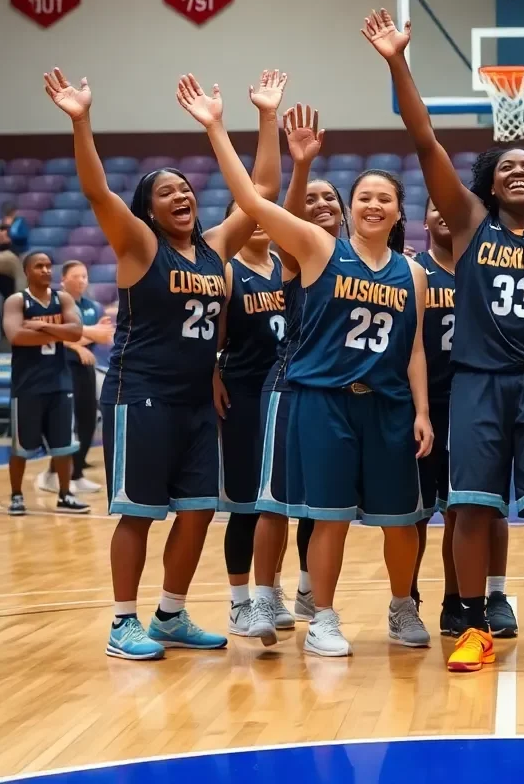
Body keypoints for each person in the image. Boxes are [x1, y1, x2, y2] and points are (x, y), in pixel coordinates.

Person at [366, 8, 524, 674]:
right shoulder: (470, 225)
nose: (518, 172)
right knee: (469, 512)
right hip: (475, 384)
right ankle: (472, 625)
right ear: (490, 183)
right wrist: (396, 62)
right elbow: (423, 141)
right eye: (507, 167)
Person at [179, 81, 434, 658]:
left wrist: (421, 410)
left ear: (398, 212)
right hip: (324, 400)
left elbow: (413, 347)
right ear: (352, 205)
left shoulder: (412, 273)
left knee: (402, 520)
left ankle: (402, 608)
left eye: (384, 199)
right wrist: (218, 127)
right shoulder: (319, 248)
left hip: (390, 403)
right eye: (364, 196)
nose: (373, 205)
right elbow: (252, 200)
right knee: (329, 519)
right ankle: (324, 617)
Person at [44, 66, 283, 660]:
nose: (181, 195)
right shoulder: (140, 246)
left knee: (200, 511)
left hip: (198, 400)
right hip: (140, 394)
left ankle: (170, 614)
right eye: (166, 192)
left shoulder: (214, 248)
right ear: (148, 210)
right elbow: (98, 192)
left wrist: (256, 119)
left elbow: (264, 194)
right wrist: (82, 122)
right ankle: (122, 622)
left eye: (186, 189)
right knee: (140, 514)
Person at [249, 106, 340, 645]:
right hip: (289, 385)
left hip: (339, 391)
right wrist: (300, 168)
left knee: (322, 500)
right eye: (311, 201)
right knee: (274, 500)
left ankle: (308, 589)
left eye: (331, 198)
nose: (321, 205)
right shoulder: (299, 254)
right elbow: (285, 227)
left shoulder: (359, 258)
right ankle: (264, 598)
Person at [414, 199, 516, 639]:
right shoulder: (412, 269)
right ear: (424, 220)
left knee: (481, 509)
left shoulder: (491, 268)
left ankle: (484, 597)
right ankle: (409, 599)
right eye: (434, 207)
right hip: (425, 402)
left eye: (449, 207)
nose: (443, 213)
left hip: (479, 400)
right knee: (415, 514)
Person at [213, 201, 291, 637]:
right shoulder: (227, 270)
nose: (259, 223)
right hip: (241, 393)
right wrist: (213, 377)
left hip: (282, 390)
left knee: (275, 502)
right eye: (248, 217)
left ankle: (271, 590)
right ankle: (239, 603)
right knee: (246, 505)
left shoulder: (286, 265)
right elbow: (213, 334)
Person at [2, 251, 89, 515]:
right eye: (39, 266)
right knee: (22, 447)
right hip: (27, 386)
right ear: (27, 272)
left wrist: (40, 327)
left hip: (59, 383)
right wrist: (58, 331)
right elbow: (16, 336)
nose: (46, 270)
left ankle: (65, 495)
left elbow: (76, 331)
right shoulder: (17, 301)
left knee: (64, 446)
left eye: (49, 266)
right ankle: (16, 495)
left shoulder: (61, 298)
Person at [35, 259, 113, 496]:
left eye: (85, 276)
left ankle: (76, 473)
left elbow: (102, 337)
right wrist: (83, 342)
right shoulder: (55, 304)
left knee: (88, 421)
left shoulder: (92, 306)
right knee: (68, 426)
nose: (82, 280)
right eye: (76, 276)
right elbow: (56, 338)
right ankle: (53, 474)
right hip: (61, 368)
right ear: (63, 280)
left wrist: (83, 341)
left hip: (85, 368)